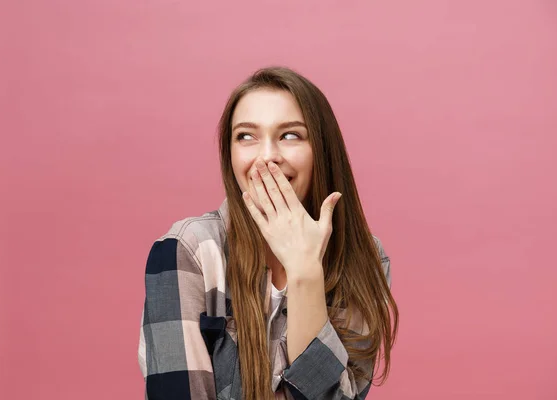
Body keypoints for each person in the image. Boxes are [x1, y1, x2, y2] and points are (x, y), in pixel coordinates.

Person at [138, 66, 399, 400]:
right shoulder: (188, 250)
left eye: (290, 135)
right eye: (246, 136)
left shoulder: (365, 258)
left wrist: (305, 273)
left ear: (322, 150)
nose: (267, 157)